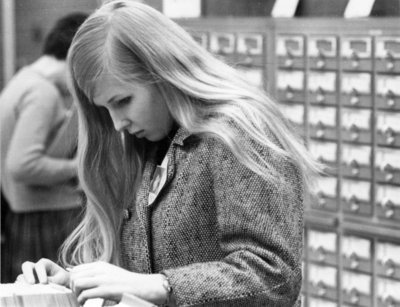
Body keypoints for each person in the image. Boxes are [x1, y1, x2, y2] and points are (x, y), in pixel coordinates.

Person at [18, 1, 322, 306]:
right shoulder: (149, 142)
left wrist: (160, 285)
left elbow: (273, 275)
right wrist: (77, 282)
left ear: (162, 72)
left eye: (123, 100)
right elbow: (141, 272)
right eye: (104, 108)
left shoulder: (238, 132)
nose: (117, 123)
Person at [0, 12, 88, 283]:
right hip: (44, 215)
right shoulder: (42, 92)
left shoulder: (22, 80)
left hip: (27, 213)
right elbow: (22, 164)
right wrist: (79, 167)